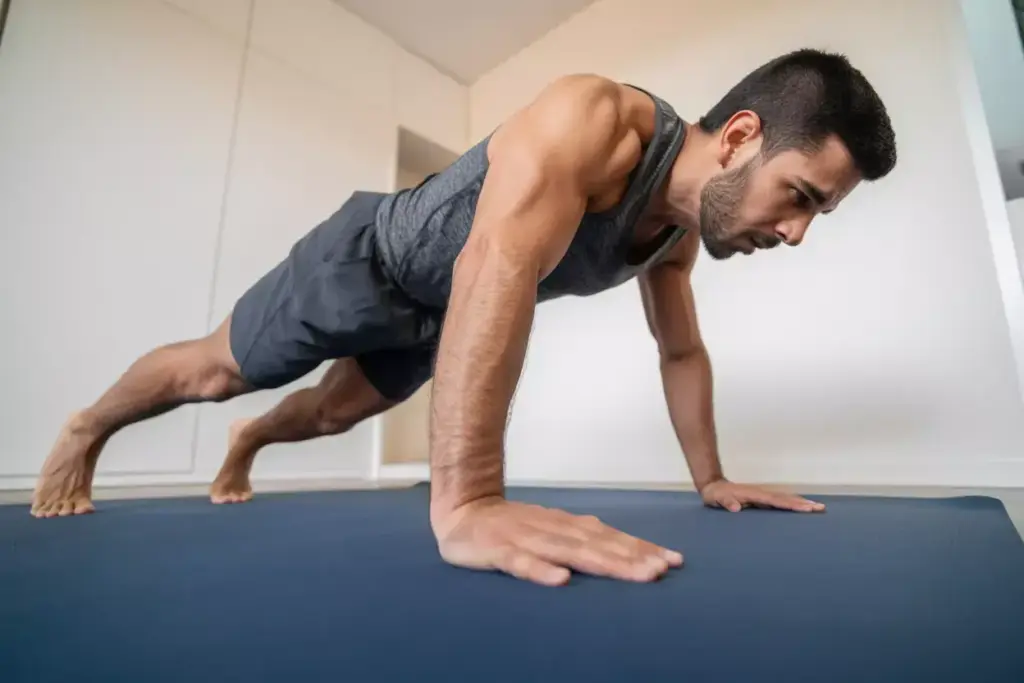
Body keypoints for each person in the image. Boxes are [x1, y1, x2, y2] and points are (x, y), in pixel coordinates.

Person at [31, 48, 896, 587]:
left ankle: (250, 440)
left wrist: (711, 478)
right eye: (801, 197)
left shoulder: (673, 237)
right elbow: (498, 263)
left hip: (434, 315)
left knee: (329, 413)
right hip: (369, 258)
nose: (795, 232)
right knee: (219, 369)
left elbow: (681, 352)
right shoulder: (595, 120)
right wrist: (470, 500)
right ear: (741, 137)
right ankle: (87, 426)